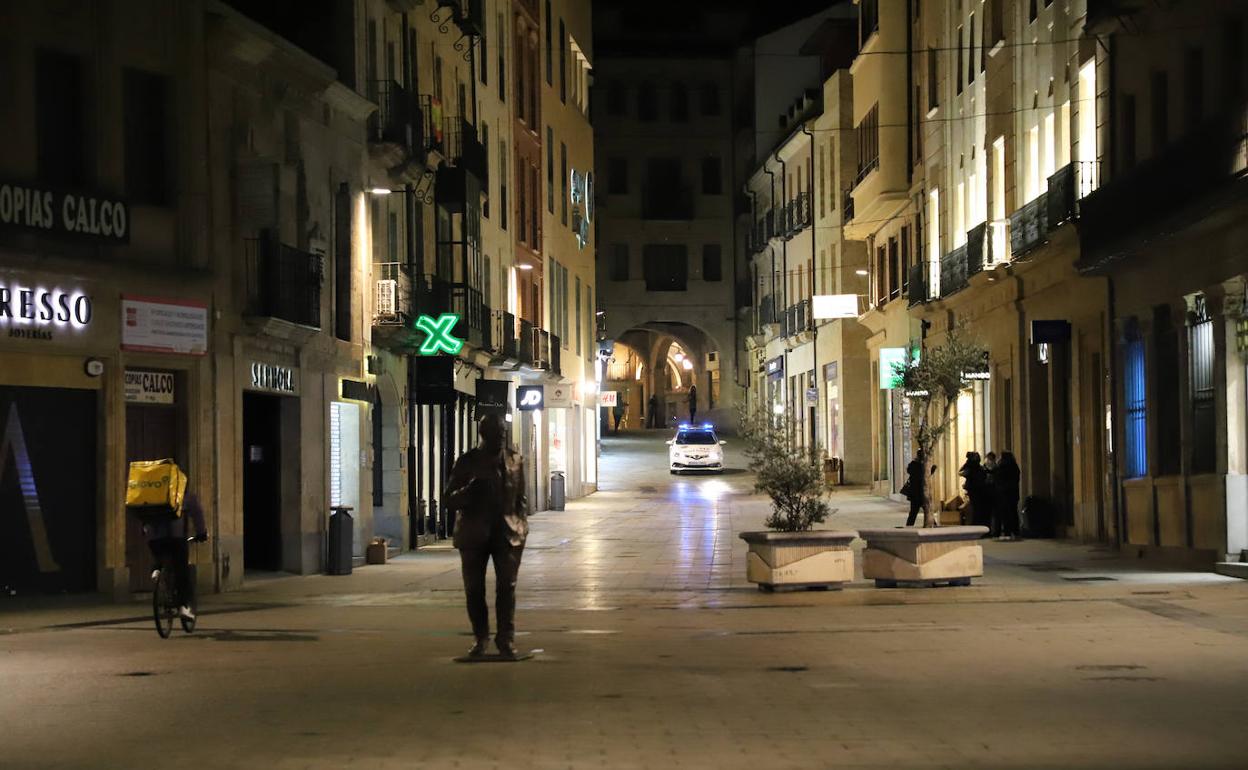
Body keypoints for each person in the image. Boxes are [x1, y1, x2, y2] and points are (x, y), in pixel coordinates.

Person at [444, 414, 529, 659]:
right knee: (474, 589)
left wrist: (522, 526)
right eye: (496, 432)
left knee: (507, 588)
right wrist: (470, 490)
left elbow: (521, 499)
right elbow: (449, 498)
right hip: (474, 533)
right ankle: (480, 639)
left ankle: (506, 641)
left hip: (507, 534)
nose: (501, 436)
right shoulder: (467, 462)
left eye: (503, 432)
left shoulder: (515, 461)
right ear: (484, 434)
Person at [144, 491, 208, 621]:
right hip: (176, 538)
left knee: (159, 554)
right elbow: (197, 514)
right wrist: (201, 533)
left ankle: (156, 569)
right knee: (182, 570)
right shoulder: (186, 495)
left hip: (154, 537)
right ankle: (184, 607)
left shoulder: (156, 491)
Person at [904, 449, 938, 527]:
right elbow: (924, 476)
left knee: (914, 512)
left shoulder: (913, 464)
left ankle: (909, 526)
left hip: (915, 493)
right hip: (921, 492)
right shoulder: (921, 465)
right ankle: (933, 524)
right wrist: (932, 469)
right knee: (926, 510)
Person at [993, 452, 1022, 541]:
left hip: (1003, 494)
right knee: (1013, 512)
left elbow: (997, 479)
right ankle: (1015, 531)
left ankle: (1006, 531)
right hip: (1013, 494)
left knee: (1004, 514)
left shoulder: (1001, 467)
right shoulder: (1014, 467)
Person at [960, 452, 990, 529]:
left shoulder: (971, 468)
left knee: (977, 509)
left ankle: (977, 524)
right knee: (978, 509)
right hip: (979, 490)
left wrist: (966, 465)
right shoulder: (980, 468)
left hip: (975, 490)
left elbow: (961, 472)